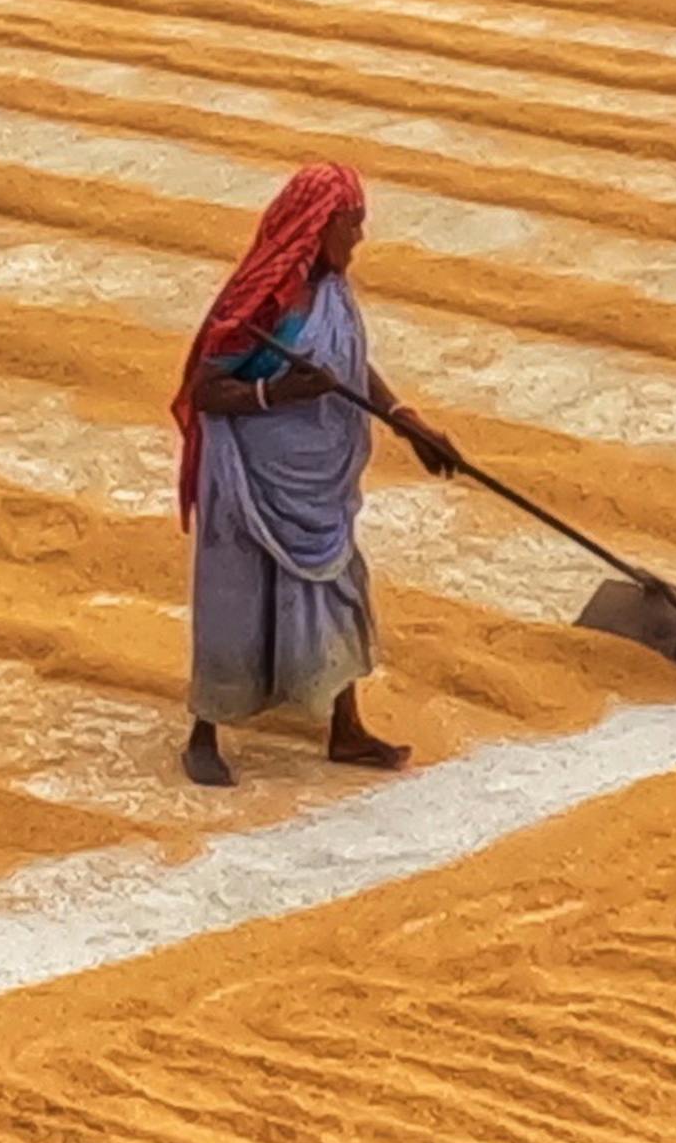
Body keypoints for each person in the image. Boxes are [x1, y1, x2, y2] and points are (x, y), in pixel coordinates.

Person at [173, 162, 461, 785]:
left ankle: (345, 727)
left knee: (338, 590)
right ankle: (204, 732)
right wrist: (279, 392)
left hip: (317, 486)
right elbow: (207, 389)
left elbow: (351, 365)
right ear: (317, 225)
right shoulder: (261, 301)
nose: (358, 238)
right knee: (239, 598)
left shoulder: (331, 289)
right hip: (254, 481)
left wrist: (406, 420)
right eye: (349, 225)